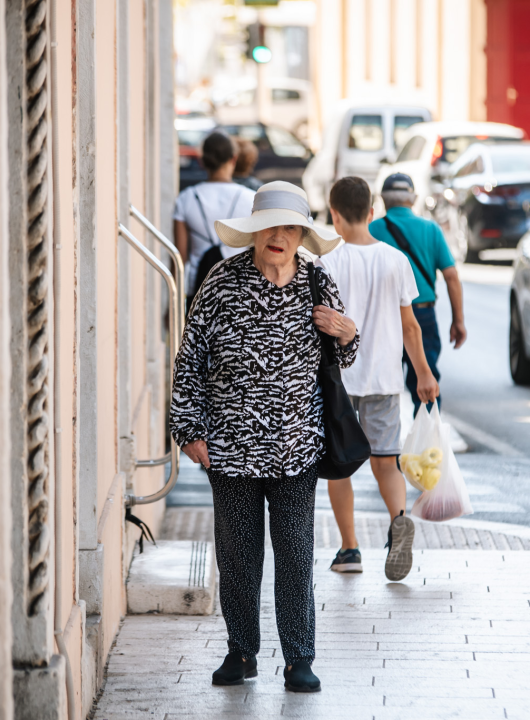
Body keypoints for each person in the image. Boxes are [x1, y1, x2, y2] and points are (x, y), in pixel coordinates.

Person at [171, 181, 359, 693]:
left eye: (290, 227)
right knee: (238, 556)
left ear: (301, 235)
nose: (279, 235)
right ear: (255, 230)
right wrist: (188, 429)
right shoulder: (221, 282)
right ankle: (242, 651)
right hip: (231, 446)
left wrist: (346, 334)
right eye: (271, 225)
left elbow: (342, 359)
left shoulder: (317, 283)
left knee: (296, 555)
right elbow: (191, 357)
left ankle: (299, 658)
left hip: (297, 444)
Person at [318, 177, 440, 582]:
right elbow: (411, 327)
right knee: (386, 461)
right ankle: (398, 520)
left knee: (340, 467)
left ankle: (350, 548)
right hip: (385, 379)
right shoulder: (395, 259)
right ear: (373, 213)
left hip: (339, 381)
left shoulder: (327, 262)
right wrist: (423, 373)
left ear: (334, 216)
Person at [370, 173, 466, 414]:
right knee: (425, 385)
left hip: (383, 319)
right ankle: (426, 447)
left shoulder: (371, 229)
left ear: (383, 199)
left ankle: (385, 449)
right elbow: (451, 276)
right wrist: (458, 320)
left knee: (380, 390)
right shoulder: (430, 229)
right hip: (422, 316)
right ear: (412, 199)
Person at [173, 131, 255, 306]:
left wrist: (172, 303)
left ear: (202, 161)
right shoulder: (251, 199)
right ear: (233, 159)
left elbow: (179, 258)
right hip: (242, 290)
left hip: (199, 291)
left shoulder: (186, 198)